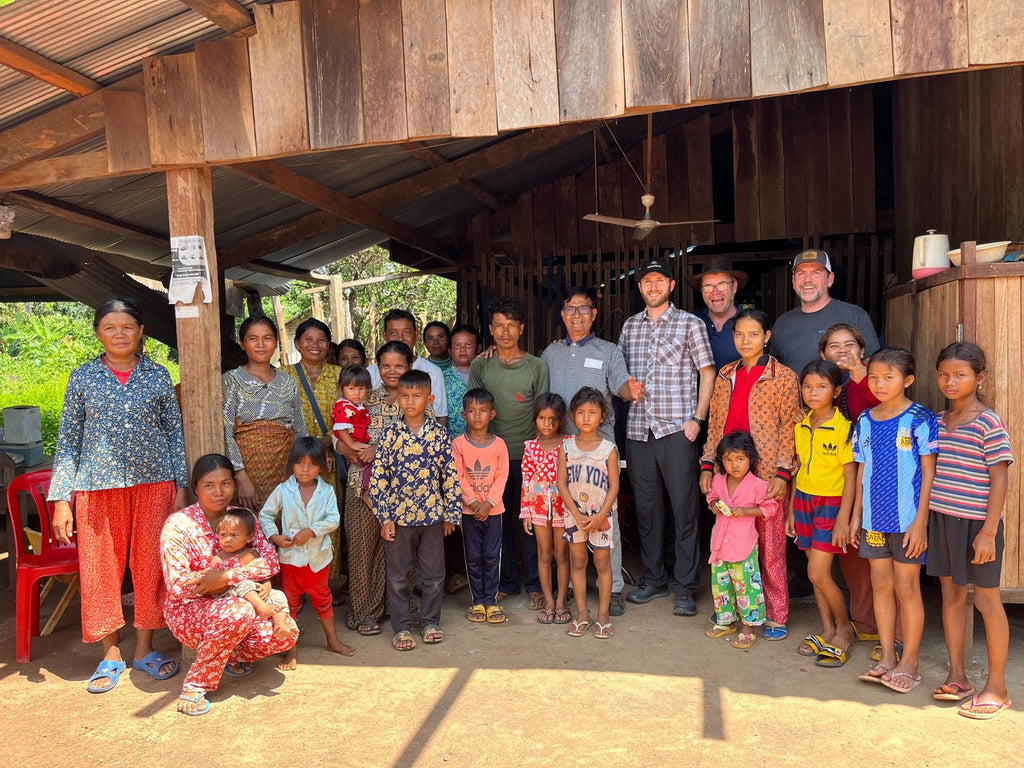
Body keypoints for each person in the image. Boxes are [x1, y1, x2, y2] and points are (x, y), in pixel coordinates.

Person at [49, 297, 187, 693]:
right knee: (100, 569)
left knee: (149, 565)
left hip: (154, 482)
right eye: (110, 327)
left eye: (127, 326)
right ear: (98, 333)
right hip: (96, 485)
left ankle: (144, 648)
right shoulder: (83, 377)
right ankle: (110, 651)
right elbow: (68, 440)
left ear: (140, 331)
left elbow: (174, 432)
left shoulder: (158, 376)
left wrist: (180, 484)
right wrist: (61, 498)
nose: (119, 333)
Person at [161, 455, 299, 716]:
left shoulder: (243, 517)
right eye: (209, 485)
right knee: (239, 611)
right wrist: (243, 565)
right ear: (196, 488)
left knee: (287, 632)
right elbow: (179, 586)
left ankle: (230, 655)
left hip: (238, 601)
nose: (218, 492)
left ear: (234, 485)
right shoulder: (178, 524)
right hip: (190, 611)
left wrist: (223, 577)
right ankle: (196, 684)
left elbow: (271, 563)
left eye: (225, 483)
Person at [618, 258, 715, 618]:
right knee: (647, 510)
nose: (653, 286)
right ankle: (655, 579)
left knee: (684, 509)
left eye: (660, 281)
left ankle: (686, 586)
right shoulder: (630, 327)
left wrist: (697, 419)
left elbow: (708, 372)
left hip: (678, 429)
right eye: (647, 281)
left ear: (671, 286)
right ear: (640, 287)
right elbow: (621, 376)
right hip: (639, 431)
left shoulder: (690, 324)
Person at [699, 309, 801, 639]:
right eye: (739, 334)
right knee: (731, 545)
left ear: (766, 337)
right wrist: (708, 465)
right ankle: (733, 610)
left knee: (770, 551)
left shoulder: (782, 377)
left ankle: (776, 615)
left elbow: (790, 427)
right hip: (730, 473)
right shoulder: (726, 374)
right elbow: (715, 425)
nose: (746, 341)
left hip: (768, 472)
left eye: (754, 334)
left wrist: (784, 473)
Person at [928, 342, 1013, 719]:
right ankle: (958, 675)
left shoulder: (987, 422)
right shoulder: (936, 421)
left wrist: (989, 532)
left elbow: (999, 480)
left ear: (979, 378)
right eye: (944, 374)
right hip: (943, 520)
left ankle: (998, 687)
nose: (950, 381)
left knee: (987, 601)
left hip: (979, 526)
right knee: (950, 595)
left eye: (960, 375)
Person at [540, 286, 637, 616]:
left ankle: (617, 588)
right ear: (563, 314)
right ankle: (568, 586)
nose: (577, 315)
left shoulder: (609, 351)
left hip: (598, 450)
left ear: (594, 314)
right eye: (571, 309)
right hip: (561, 449)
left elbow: (622, 386)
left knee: (607, 519)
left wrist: (632, 390)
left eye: (584, 309)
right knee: (567, 519)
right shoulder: (549, 355)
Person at [853, 348, 937, 693]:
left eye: (889, 377)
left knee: (907, 588)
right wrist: (857, 515)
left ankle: (910, 661)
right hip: (874, 522)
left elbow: (929, 474)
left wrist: (920, 522)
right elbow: (861, 470)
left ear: (908, 380)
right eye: (874, 376)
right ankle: (887, 656)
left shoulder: (919, 418)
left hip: (907, 523)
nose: (879, 383)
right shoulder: (865, 420)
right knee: (881, 586)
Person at [368, 370, 461, 651]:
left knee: (434, 575)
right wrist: (385, 518)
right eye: (404, 396)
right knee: (397, 577)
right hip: (399, 519)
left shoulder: (439, 435)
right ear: (398, 399)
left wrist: (451, 514)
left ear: (429, 399)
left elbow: (451, 477)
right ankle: (402, 627)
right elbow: (378, 479)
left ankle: (430, 621)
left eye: (416, 396)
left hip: (433, 517)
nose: (410, 401)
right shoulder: (389, 434)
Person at [469, 297, 550, 606]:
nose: (505, 332)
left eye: (511, 325)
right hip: (490, 459)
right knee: (497, 524)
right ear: (491, 329)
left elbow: (544, 414)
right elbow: (475, 408)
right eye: (499, 325)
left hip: (528, 457)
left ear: (522, 329)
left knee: (530, 521)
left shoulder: (536, 366)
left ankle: (534, 584)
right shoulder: (481, 364)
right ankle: (506, 583)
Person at [343, 341, 424, 636]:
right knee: (363, 551)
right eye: (385, 365)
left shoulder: (415, 402)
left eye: (399, 365)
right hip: (360, 486)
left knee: (400, 553)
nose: (392, 371)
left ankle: (398, 607)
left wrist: (379, 448)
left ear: (409, 366)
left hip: (404, 490)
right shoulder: (362, 398)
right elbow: (339, 435)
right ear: (376, 367)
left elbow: (420, 443)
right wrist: (346, 447)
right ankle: (363, 612)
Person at [260, 436, 355, 669]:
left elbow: (333, 519)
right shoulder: (283, 490)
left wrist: (312, 530)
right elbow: (265, 515)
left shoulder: (327, 491)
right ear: (291, 464)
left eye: (312, 464)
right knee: (290, 603)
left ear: (321, 466)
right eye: (300, 463)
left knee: (323, 599)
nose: (305, 469)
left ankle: (332, 641)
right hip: (291, 559)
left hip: (317, 559)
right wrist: (274, 536)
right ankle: (290, 651)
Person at [818, 322, 884, 647]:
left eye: (850, 344)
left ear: (862, 349)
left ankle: (894, 636)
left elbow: (884, 407)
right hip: (849, 476)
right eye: (834, 345)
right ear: (823, 354)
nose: (843, 350)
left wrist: (860, 371)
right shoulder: (833, 387)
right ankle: (866, 623)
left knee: (883, 561)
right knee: (852, 554)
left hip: (882, 476)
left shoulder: (877, 377)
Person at [787, 360, 857, 666]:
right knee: (816, 574)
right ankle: (827, 629)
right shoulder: (801, 424)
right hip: (803, 500)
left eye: (822, 386)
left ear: (836, 390)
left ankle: (844, 628)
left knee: (818, 572)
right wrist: (790, 509)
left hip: (831, 503)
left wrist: (844, 517)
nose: (813, 393)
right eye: (807, 386)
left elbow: (851, 476)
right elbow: (799, 468)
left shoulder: (843, 428)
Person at [284, 318, 346, 588]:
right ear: (297, 343)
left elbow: (350, 415)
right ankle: (298, 582)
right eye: (308, 339)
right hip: (292, 461)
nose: (315, 345)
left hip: (329, 459)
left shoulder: (339, 374)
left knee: (326, 519)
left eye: (321, 340)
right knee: (295, 517)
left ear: (328, 345)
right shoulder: (283, 374)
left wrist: (326, 442)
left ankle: (326, 583)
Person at [223, 315, 307, 510]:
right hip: (247, 471)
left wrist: (299, 473)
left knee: (281, 528)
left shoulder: (288, 382)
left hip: (284, 471)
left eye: (267, 338)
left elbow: (300, 430)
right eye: (253, 338)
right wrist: (241, 477)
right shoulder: (231, 380)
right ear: (242, 344)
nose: (261, 344)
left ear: (276, 342)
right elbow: (226, 433)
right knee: (247, 528)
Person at [704, 431, 777, 650]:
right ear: (721, 461)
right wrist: (714, 505)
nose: (734, 465)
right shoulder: (718, 481)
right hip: (719, 546)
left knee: (747, 588)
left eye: (740, 459)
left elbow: (770, 508)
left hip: (743, 547)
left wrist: (747, 510)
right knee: (721, 587)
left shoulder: (757, 485)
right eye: (728, 459)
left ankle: (748, 627)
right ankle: (726, 621)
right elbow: (711, 498)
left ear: (750, 459)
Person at [557, 388, 619, 639]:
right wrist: (576, 513)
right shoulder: (567, 447)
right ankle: (582, 614)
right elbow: (561, 483)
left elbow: (614, 485)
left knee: (602, 563)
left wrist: (600, 515)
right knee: (578, 562)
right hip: (574, 516)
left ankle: (603, 616)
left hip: (601, 517)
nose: (586, 418)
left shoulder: (608, 449)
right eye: (581, 413)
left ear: (602, 416)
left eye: (592, 413)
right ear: (573, 416)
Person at [771, 249, 880, 376]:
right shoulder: (782, 323)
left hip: (843, 395)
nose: (807, 280)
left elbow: (873, 367)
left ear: (830, 279)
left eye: (816, 273)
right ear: (793, 281)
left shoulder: (855, 316)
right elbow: (774, 371)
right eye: (801, 273)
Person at [453, 388, 509, 624]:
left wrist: (489, 504)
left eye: (483, 411)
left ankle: (491, 601)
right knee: (473, 556)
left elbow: (501, 475)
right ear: (463, 415)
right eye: (472, 411)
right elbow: (458, 476)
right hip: (469, 511)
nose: (477, 416)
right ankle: (477, 600)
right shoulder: (458, 444)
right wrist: (475, 503)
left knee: (491, 555)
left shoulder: (499, 445)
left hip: (494, 511)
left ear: (492, 414)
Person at [520, 393, 571, 625]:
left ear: (560, 420)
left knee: (561, 555)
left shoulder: (568, 444)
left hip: (563, 508)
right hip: (539, 508)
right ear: (535, 419)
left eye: (552, 419)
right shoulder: (530, 447)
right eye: (542, 418)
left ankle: (561, 601)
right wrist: (526, 512)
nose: (547, 424)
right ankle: (548, 601)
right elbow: (526, 480)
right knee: (544, 553)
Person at [209, 509, 293, 640]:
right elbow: (216, 586)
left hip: (255, 592)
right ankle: (262, 608)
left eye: (234, 535)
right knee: (244, 583)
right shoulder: (218, 559)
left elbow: (262, 573)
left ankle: (280, 625)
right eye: (223, 535)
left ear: (249, 537)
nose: (227, 540)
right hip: (230, 595)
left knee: (278, 595)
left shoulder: (252, 553)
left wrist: (266, 584)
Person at [367, 309, 448, 426]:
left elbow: (440, 416)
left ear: (416, 334)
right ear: (384, 335)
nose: (400, 338)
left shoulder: (432, 371)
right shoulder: (371, 373)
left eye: (406, 332)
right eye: (394, 332)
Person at [688, 257, 748, 369]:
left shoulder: (752, 324)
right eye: (708, 287)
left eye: (722, 285)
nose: (715, 292)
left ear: (734, 286)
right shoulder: (690, 322)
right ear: (701, 290)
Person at [332, 364, 373, 494]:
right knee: (368, 463)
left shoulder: (358, 405)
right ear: (341, 388)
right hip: (350, 445)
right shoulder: (343, 407)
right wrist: (351, 444)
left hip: (357, 443)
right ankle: (368, 490)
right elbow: (341, 428)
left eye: (361, 389)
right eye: (351, 389)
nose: (357, 393)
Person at [444, 324, 481, 440]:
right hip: (453, 443)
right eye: (457, 345)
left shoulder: (485, 374)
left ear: (478, 348)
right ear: (450, 350)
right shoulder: (443, 377)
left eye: (468, 345)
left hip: (482, 441)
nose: (463, 350)